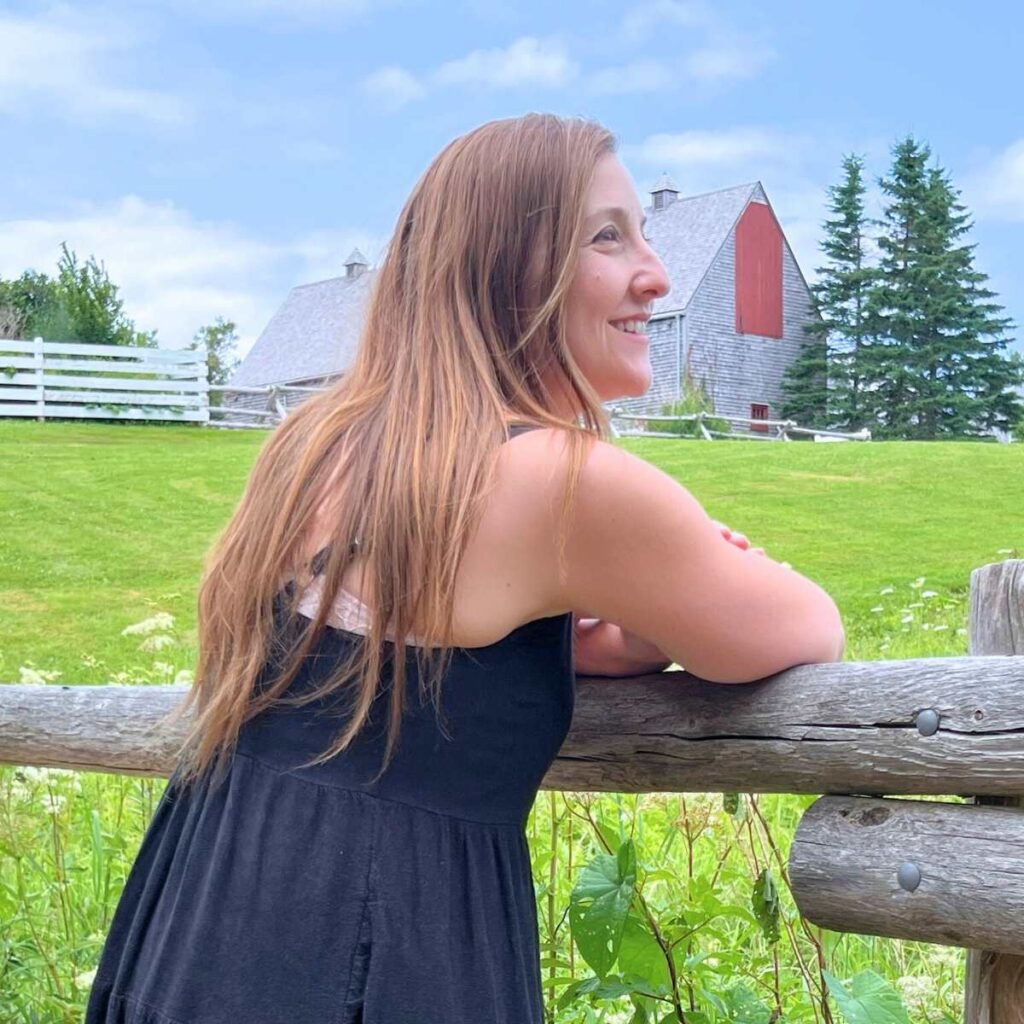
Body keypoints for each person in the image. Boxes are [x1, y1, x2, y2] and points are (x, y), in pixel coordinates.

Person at [85, 113, 844, 1024]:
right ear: (505, 267)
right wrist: (671, 578)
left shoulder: (315, 442)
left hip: (201, 913)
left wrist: (566, 639)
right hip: (382, 945)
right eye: (608, 236)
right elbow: (808, 628)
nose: (657, 272)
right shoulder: (564, 482)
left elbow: (391, 658)